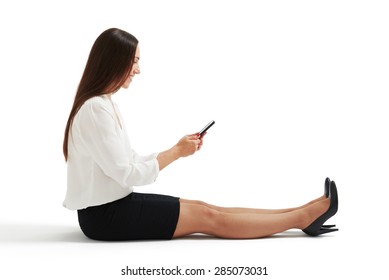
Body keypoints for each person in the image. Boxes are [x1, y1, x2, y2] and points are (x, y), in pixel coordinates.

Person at [63, 28, 339, 241]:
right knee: (208, 217)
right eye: (134, 61)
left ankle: (303, 211)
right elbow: (126, 173)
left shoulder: (102, 104)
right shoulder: (95, 109)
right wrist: (176, 154)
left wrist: (175, 148)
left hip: (112, 208)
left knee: (204, 207)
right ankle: (303, 218)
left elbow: (128, 160)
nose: (138, 69)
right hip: (106, 218)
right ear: (115, 61)